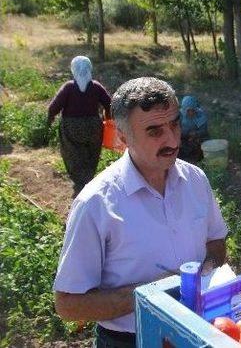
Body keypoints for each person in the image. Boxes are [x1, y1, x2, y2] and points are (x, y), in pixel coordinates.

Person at [53, 77, 228, 347]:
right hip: (129, 339)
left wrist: (208, 271)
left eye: (174, 124)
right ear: (123, 138)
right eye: (154, 131)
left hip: (196, 328)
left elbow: (216, 241)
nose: (172, 139)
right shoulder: (96, 203)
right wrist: (156, 296)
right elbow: (68, 304)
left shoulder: (195, 180)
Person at [47, 56, 112, 196]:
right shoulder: (96, 86)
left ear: (73, 69)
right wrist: (109, 119)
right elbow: (109, 104)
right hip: (94, 126)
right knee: (92, 153)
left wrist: (50, 119)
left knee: (73, 153)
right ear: (90, 69)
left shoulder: (69, 87)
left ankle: (80, 182)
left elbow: (54, 107)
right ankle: (89, 179)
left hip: (72, 127)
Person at [178, 95, 209, 163]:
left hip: (195, 138)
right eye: (188, 110)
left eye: (193, 110)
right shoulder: (179, 115)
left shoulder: (200, 116)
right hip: (182, 137)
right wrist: (178, 138)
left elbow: (204, 131)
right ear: (184, 109)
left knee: (201, 145)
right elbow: (174, 129)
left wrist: (196, 134)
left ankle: (198, 159)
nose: (191, 113)